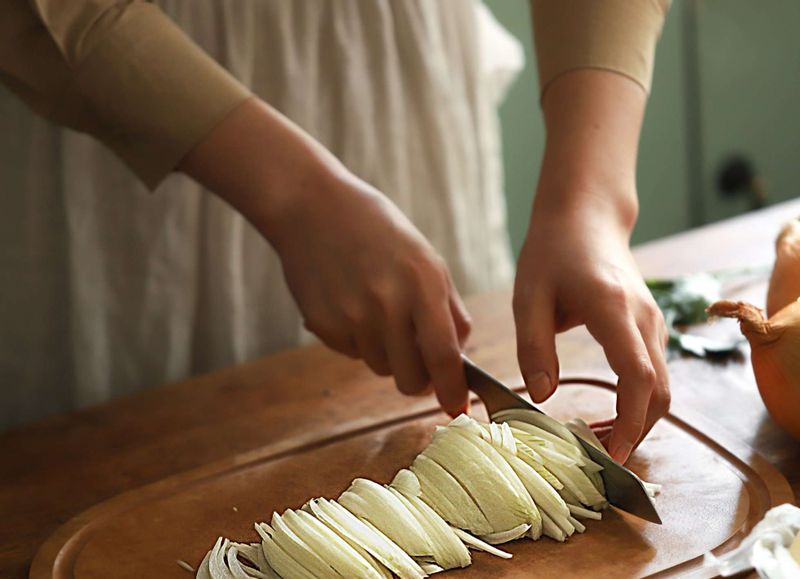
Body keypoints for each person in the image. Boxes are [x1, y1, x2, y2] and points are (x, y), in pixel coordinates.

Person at [0, 0, 671, 463]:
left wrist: (590, 201)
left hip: (397, 81)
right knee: (110, 468)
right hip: (127, 97)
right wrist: (293, 192)